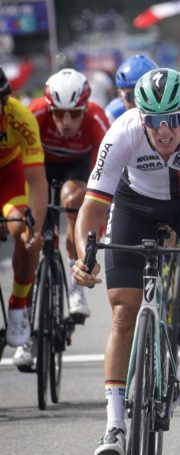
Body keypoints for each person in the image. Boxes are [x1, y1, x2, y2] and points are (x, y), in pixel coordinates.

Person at [72, 68, 180, 455]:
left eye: (172, 120)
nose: (164, 131)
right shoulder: (122, 133)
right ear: (141, 117)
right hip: (136, 205)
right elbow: (91, 209)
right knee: (122, 313)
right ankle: (114, 425)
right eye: (154, 122)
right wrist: (84, 256)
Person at [19, 68, 111, 355]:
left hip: (78, 167)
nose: (66, 121)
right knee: (32, 238)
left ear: (86, 107)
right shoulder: (33, 114)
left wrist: (102, 215)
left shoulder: (97, 120)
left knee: (74, 200)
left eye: (74, 113)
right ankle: (24, 329)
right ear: (49, 108)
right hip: (41, 167)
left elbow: (104, 176)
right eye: (58, 114)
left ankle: (75, 285)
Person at [0, 67, 45, 353]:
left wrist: (35, 230)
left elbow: (37, 181)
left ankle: (18, 303)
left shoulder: (21, 117)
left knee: (24, 231)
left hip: (10, 179)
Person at [104, 54, 157, 122]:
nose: (139, 105)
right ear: (120, 94)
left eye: (146, 96)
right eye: (132, 97)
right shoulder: (111, 115)